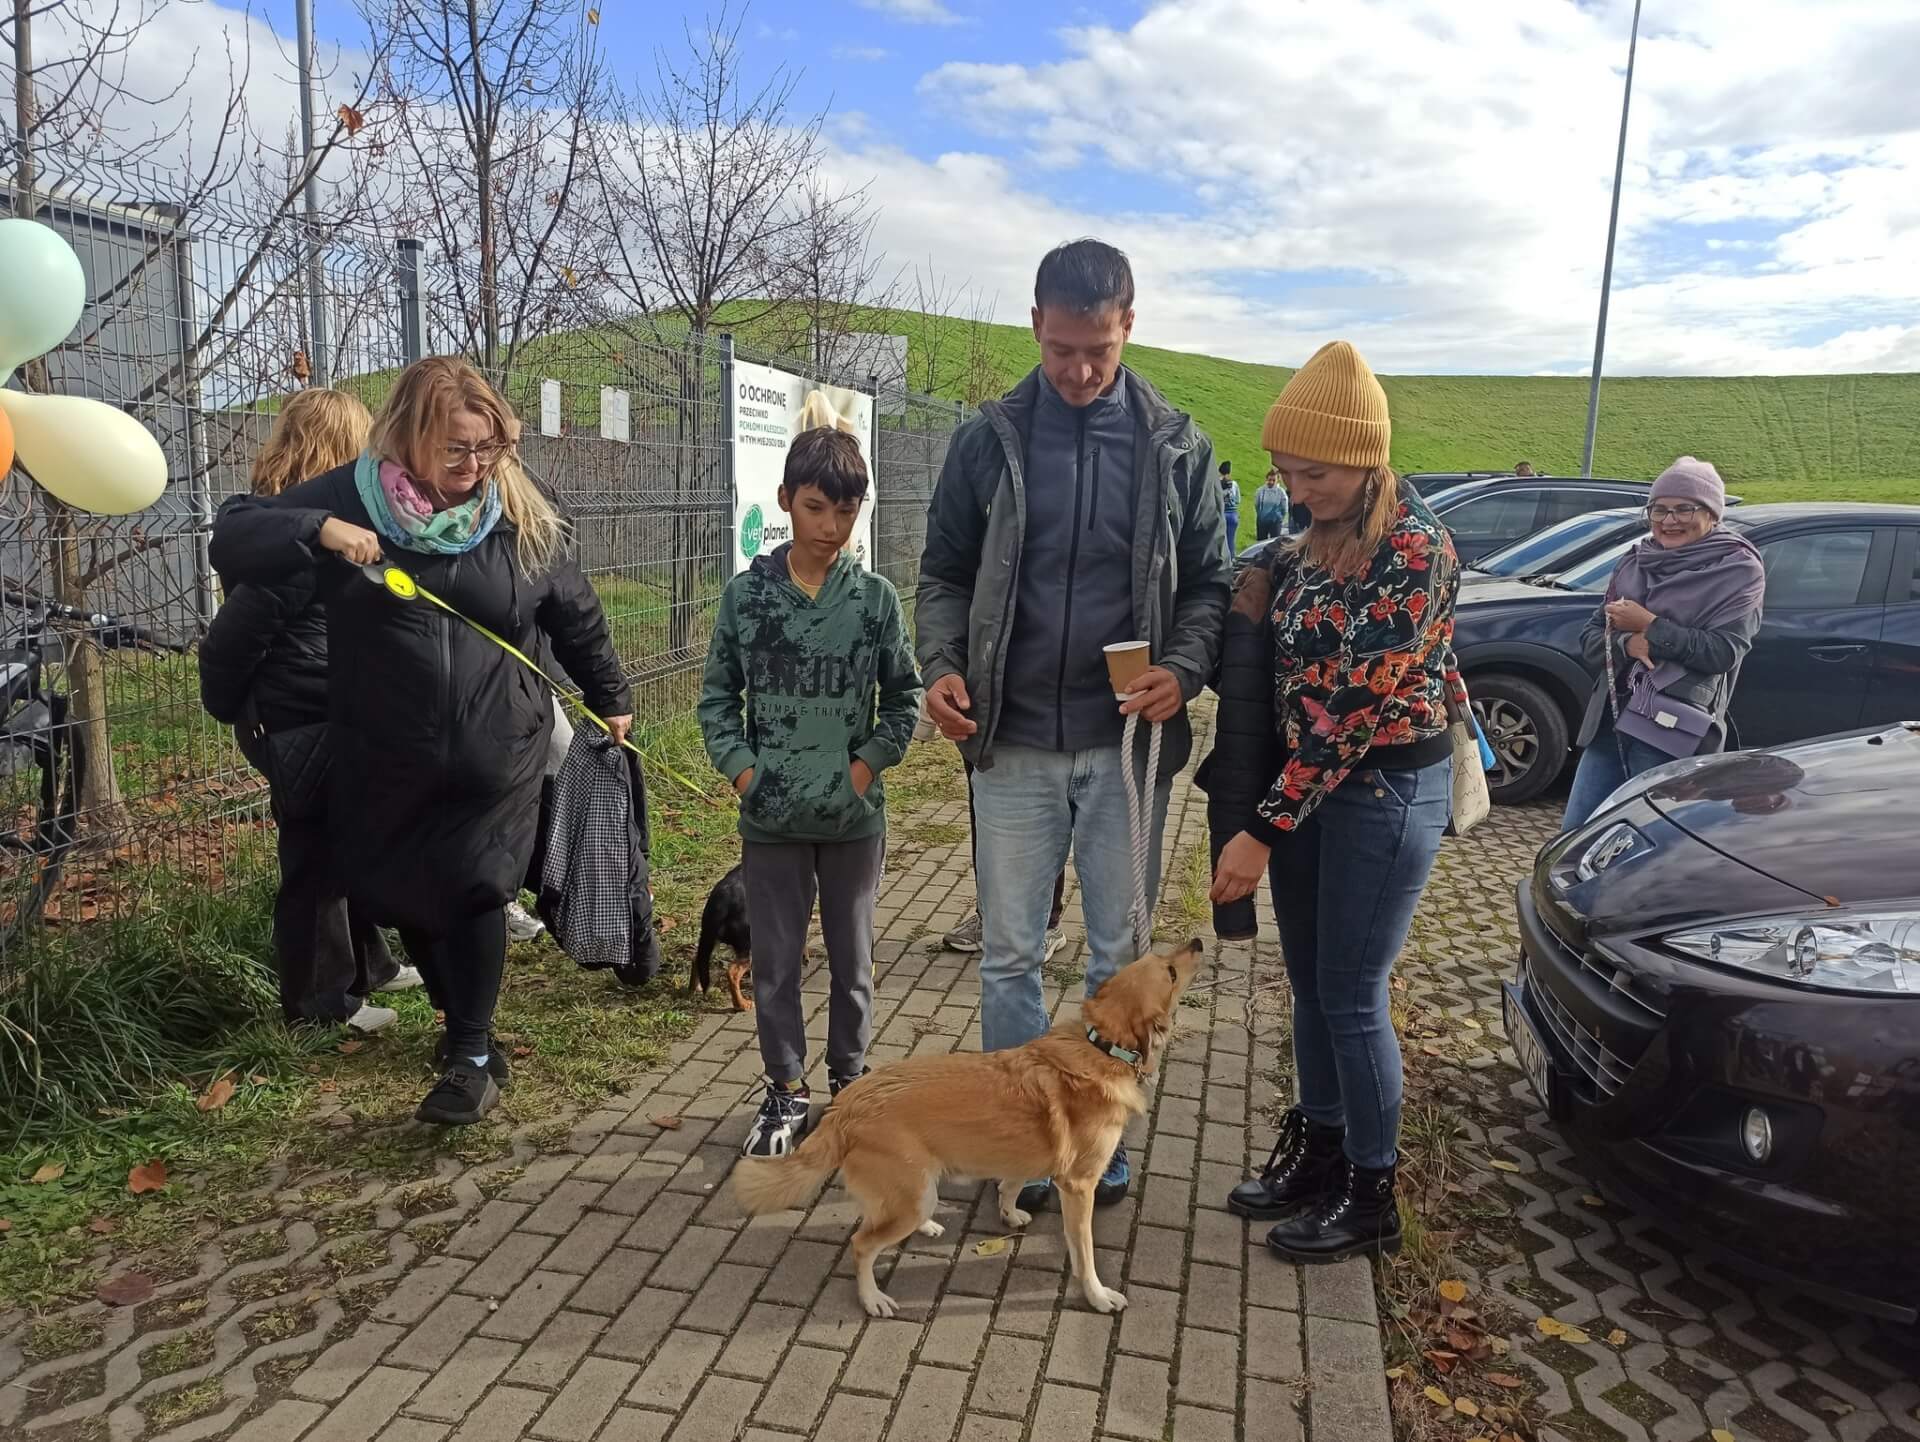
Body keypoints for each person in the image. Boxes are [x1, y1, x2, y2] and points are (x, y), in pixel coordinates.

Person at [209, 357, 632, 1126]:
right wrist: (319, 529)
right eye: (457, 450)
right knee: (405, 890)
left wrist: (609, 695)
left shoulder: (517, 508)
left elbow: (572, 605)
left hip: (497, 743)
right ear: (407, 438)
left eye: (489, 449)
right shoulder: (350, 499)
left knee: (474, 884)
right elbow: (234, 536)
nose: (476, 469)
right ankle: (464, 1030)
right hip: (384, 747)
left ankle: (470, 1051)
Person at [916, 237, 1229, 1210]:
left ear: (1128, 324)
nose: (1081, 370)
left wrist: (1182, 668)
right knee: (1010, 951)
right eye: (1062, 350)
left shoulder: (1176, 444)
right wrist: (942, 666)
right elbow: (942, 576)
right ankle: (1019, 1142)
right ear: (1036, 326)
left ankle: (1099, 1145)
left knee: (1116, 960)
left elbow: (1212, 586)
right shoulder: (989, 439)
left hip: (1126, 752)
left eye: (1098, 348)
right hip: (1010, 744)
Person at [1208, 341, 1458, 1263]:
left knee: (1353, 993)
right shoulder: (1305, 543)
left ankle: (1371, 1189)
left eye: (1312, 472)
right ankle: (1318, 1150)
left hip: (1382, 790)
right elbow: (1233, 574)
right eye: (1284, 472)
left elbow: (1354, 709)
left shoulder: (1415, 551)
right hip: (1304, 790)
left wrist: (1259, 832)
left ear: (1365, 460)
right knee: (1310, 984)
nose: (1294, 486)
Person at [699, 427, 922, 1159]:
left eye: (847, 512)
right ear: (786, 502)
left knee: (853, 962)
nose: (831, 528)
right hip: (772, 822)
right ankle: (785, 1089)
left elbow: (903, 701)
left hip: (854, 822)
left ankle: (851, 1086)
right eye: (817, 508)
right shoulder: (748, 600)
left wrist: (862, 770)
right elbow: (716, 703)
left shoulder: (875, 601)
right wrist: (746, 776)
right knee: (777, 964)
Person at [198, 389, 420, 1033]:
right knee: (315, 858)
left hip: (323, 711)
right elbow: (230, 642)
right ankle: (318, 1006)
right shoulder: (295, 543)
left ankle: (368, 968)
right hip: (295, 717)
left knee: (346, 840)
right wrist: (239, 710)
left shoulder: (307, 525)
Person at [1561, 457, 1764, 830]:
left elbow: (1723, 652)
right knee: (1576, 834)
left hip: (1671, 736)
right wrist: (1627, 645)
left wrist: (1651, 626)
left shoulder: (1738, 570)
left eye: (1684, 509)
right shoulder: (1635, 561)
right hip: (1611, 722)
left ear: (1712, 514)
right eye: (1659, 509)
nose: (1669, 521)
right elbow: (1590, 637)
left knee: (1647, 844)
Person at [1254, 467, 1289, 542]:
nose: (1271, 482)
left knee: (1274, 543)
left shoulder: (1281, 492)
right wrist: (1261, 515)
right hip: (1262, 521)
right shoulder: (1260, 491)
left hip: (1275, 522)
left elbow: (1284, 509)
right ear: (1266, 480)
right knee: (1261, 542)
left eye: (1274, 480)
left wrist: (1279, 518)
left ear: (1277, 481)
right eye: (1269, 480)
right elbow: (1256, 505)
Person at [1219, 460, 1240, 563]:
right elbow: (1238, 500)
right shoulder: (1234, 484)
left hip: (1222, 513)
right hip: (1233, 514)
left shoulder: (1217, 482)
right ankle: (1232, 560)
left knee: (1221, 539)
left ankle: (1222, 560)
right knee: (1231, 539)